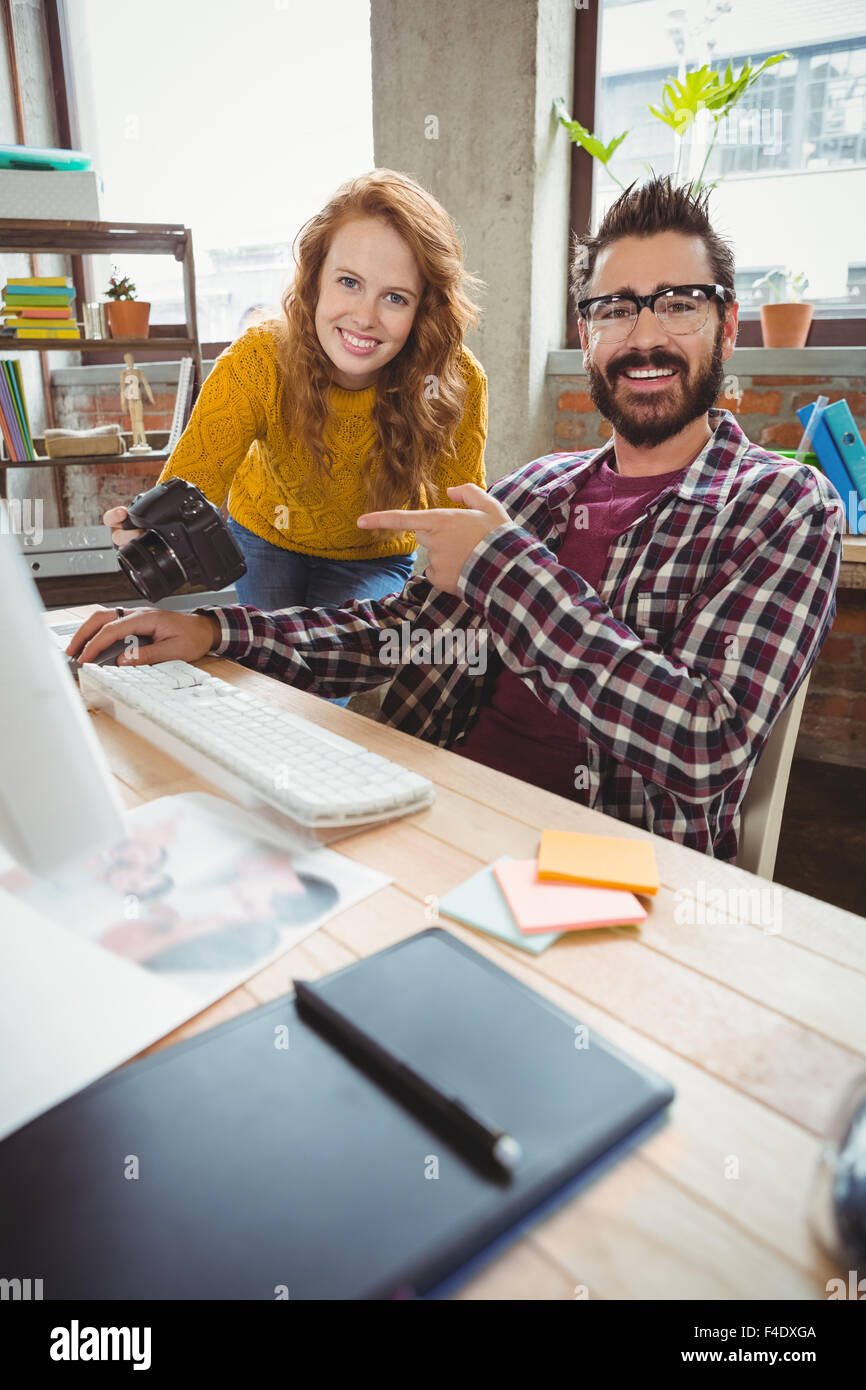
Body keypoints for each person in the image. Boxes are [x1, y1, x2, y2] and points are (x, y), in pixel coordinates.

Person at [72, 177, 842, 862]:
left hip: (594, 868)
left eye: (679, 304)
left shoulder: (782, 507)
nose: (644, 336)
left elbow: (705, 746)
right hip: (419, 817)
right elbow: (396, 636)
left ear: (729, 326)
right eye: (616, 309)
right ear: (588, 336)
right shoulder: (537, 493)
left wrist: (502, 568)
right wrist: (213, 631)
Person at [103, 169, 488, 612]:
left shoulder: (453, 383)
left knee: (337, 668)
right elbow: (193, 483)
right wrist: (148, 530)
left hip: (372, 555)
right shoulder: (258, 359)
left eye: (396, 297)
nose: (364, 317)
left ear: (425, 308)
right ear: (315, 278)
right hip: (266, 534)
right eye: (349, 282)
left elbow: (457, 524)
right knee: (269, 661)